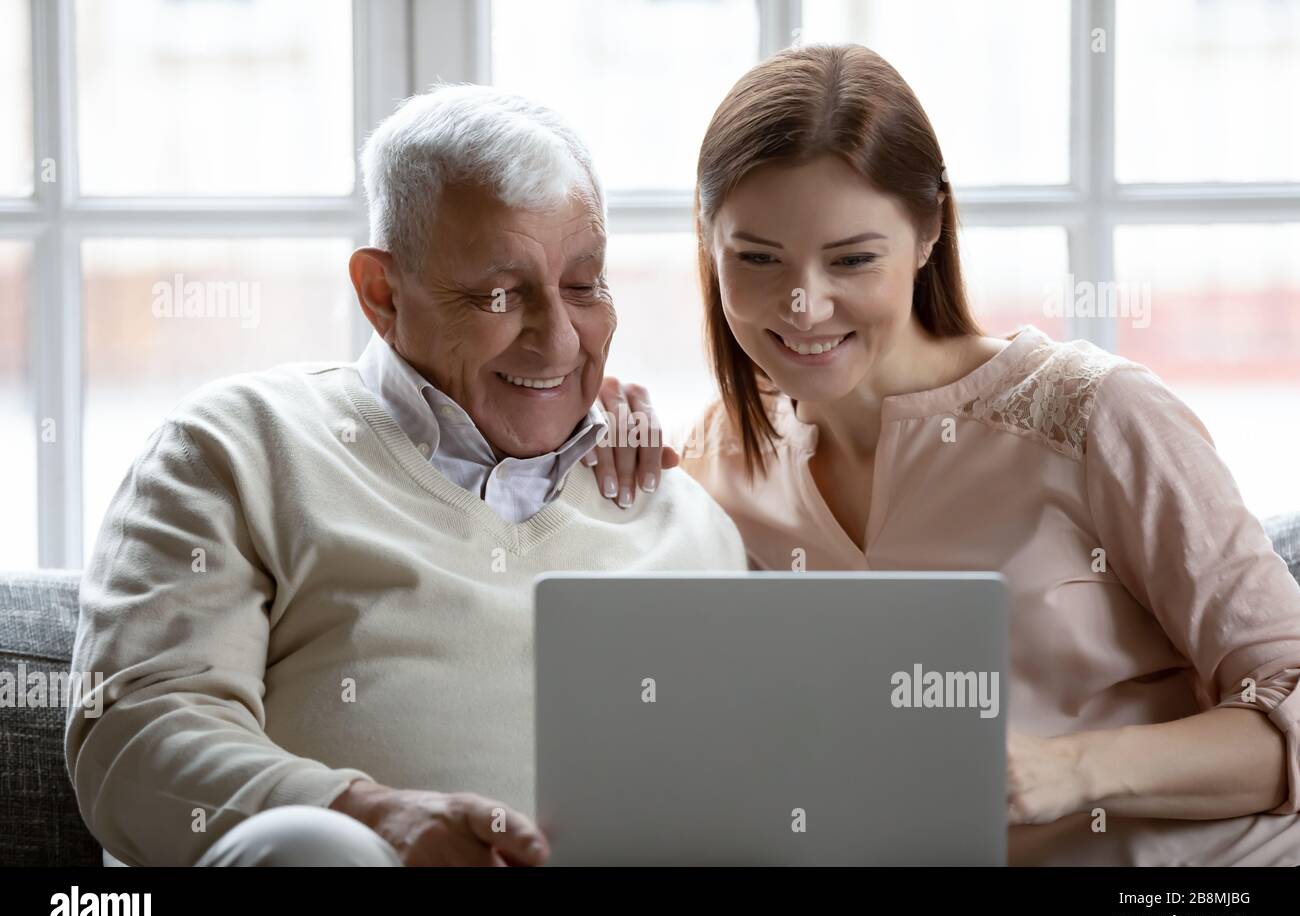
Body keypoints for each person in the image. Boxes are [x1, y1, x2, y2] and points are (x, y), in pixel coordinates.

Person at [595, 44, 1300, 865]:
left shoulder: (1096, 417)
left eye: (853, 258)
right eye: (756, 258)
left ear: (929, 231)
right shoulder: (717, 460)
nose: (804, 305)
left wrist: (1073, 770)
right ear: (707, 242)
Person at [65, 84, 745, 867]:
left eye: (583, 286)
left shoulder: (684, 520)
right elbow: (134, 737)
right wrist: (371, 816)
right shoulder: (237, 448)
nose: (559, 342)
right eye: (500, 293)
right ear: (381, 294)